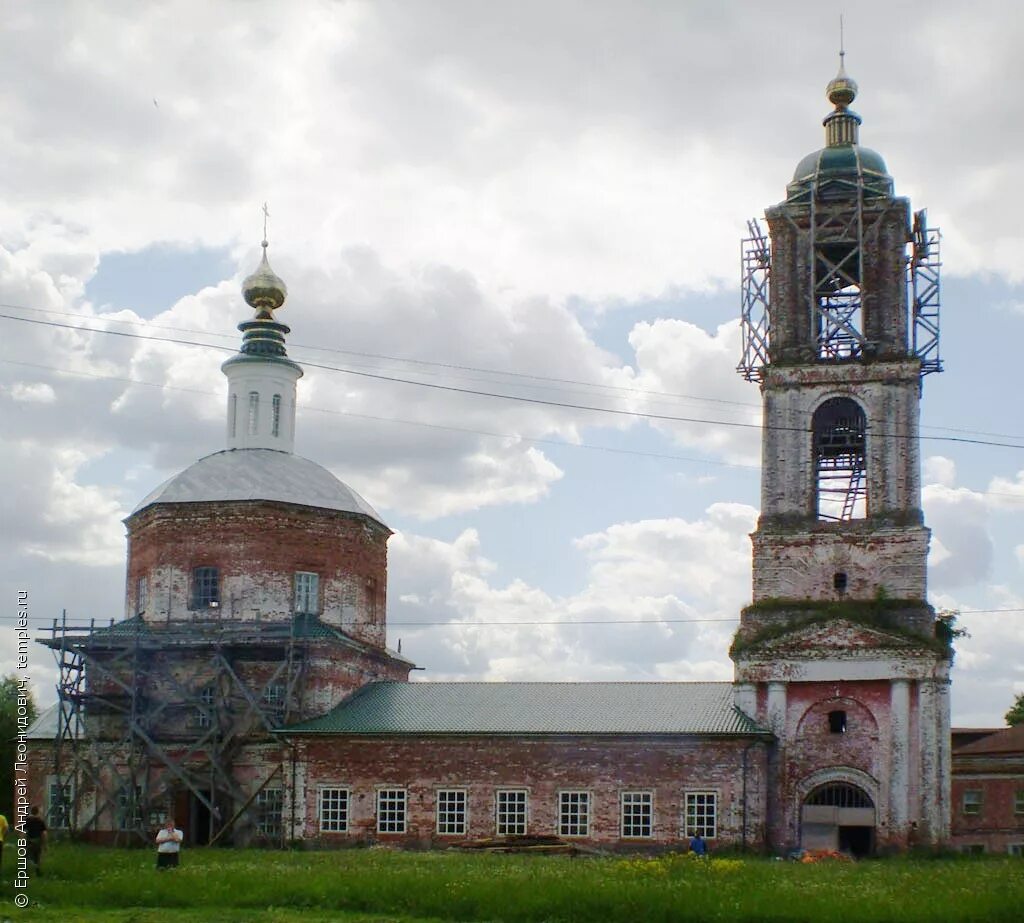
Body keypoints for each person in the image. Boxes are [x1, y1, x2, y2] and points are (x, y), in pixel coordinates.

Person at [25, 806, 47, 875]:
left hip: (29, 841)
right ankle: (37, 871)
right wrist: (45, 844)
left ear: (31, 812)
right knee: (38, 856)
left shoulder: (27, 820)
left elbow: (23, 831)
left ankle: (26, 871)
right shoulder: (40, 821)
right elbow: (44, 833)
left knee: (27, 856)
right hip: (38, 841)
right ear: (38, 812)